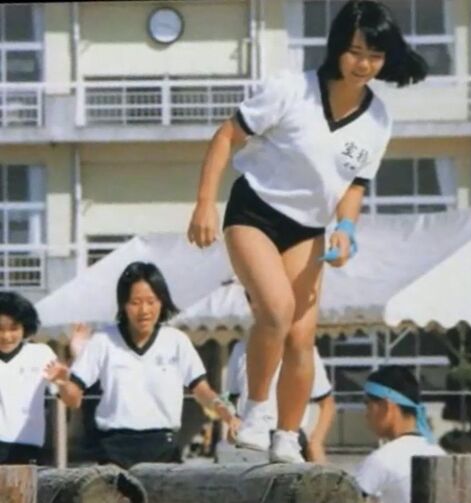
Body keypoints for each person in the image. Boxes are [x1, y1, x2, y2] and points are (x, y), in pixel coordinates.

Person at [187, 0, 427, 462]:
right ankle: (256, 413)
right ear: (337, 46)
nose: (363, 65)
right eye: (355, 51)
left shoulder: (379, 119)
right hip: (255, 211)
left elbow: (354, 186)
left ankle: (286, 437)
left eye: (375, 56)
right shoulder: (290, 89)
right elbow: (226, 136)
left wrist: (346, 230)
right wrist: (203, 204)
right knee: (276, 311)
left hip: (309, 228)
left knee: (301, 338)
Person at [45, 261, 239, 469]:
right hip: (114, 450)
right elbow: (73, 399)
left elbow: (202, 391)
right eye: (135, 302)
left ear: (162, 302)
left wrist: (227, 413)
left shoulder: (176, 341)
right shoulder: (103, 340)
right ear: (123, 305)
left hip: (164, 449)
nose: (144, 310)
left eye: (151, 301)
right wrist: (63, 383)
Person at [226, 338, 335, 463]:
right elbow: (228, 398)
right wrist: (231, 418)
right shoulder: (241, 349)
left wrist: (316, 442)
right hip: (251, 439)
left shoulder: (306, 351)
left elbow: (327, 404)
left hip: (291, 438)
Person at [355, 365, 445, 503]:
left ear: (386, 406)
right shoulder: (439, 453)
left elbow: (344, 497)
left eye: (368, 404)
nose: (366, 414)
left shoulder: (381, 461)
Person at [0, 291, 57, 464]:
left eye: (13, 328)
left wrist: (64, 379)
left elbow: (66, 394)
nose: (6, 336)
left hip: (29, 445)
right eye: (0, 329)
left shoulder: (41, 354)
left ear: (25, 327)